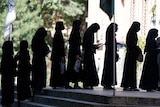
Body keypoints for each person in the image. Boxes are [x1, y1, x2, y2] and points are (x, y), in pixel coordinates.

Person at [121, 21, 142, 91]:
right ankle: (131, 85)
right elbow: (132, 45)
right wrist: (138, 50)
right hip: (131, 54)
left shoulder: (131, 33)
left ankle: (128, 85)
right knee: (131, 70)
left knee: (129, 70)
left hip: (130, 54)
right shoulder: (132, 34)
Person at [31, 27, 50, 94]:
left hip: (35, 58)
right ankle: (38, 88)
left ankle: (34, 87)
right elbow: (45, 48)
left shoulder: (34, 40)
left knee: (36, 74)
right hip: (40, 59)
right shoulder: (41, 41)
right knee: (40, 73)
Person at [101, 23, 119, 89]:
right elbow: (111, 46)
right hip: (110, 55)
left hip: (110, 54)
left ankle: (108, 83)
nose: (117, 29)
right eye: (116, 27)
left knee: (110, 69)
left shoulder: (111, 35)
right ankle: (108, 83)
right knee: (109, 69)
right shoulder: (111, 36)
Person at [82, 23, 100, 89]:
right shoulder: (90, 33)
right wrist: (94, 47)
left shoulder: (88, 32)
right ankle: (88, 83)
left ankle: (88, 83)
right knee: (89, 68)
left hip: (88, 52)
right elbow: (88, 44)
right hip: (88, 53)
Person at [66, 20, 82, 89]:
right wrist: (77, 54)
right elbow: (76, 44)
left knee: (72, 68)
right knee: (75, 68)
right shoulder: (76, 33)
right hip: (75, 54)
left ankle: (70, 82)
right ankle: (75, 83)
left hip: (72, 54)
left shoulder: (73, 33)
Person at [50, 21, 66, 88]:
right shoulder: (59, 34)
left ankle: (55, 83)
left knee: (56, 69)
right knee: (59, 69)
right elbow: (60, 47)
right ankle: (59, 83)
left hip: (55, 56)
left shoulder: (56, 34)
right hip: (59, 56)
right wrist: (62, 55)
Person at [1, 41, 17, 107]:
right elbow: (13, 64)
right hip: (9, 78)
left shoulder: (4, 56)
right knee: (8, 94)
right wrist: (16, 58)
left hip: (5, 77)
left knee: (5, 94)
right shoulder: (8, 56)